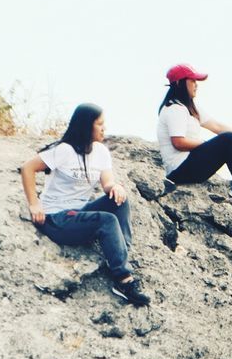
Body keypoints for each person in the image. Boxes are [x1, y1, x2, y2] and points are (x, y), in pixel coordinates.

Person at [19, 103, 150, 307]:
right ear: (86, 126)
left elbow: (107, 182)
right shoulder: (63, 150)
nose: (104, 128)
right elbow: (27, 168)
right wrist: (34, 204)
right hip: (56, 219)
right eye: (99, 124)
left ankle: (119, 254)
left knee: (119, 201)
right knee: (106, 220)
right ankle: (123, 281)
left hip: (79, 213)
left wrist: (115, 188)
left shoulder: (101, 152)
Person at [156, 63, 232, 209]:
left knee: (231, 139)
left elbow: (217, 127)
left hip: (190, 167)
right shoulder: (174, 108)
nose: (196, 85)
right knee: (228, 139)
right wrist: (205, 144)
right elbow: (178, 142)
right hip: (178, 171)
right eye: (192, 81)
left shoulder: (189, 108)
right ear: (179, 83)